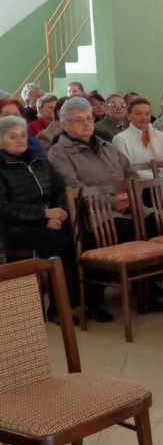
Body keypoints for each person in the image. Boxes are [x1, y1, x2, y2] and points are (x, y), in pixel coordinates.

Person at [48, 96, 163, 319]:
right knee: (125, 229)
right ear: (64, 124)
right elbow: (73, 188)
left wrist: (130, 195)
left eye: (89, 118)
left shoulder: (105, 145)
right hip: (92, 212)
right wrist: (112, 202)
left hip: (126, 203)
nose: (86, 124)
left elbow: (130, 172)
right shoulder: (59, 152)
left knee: (152, 222)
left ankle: (146, 286)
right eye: (78, 120)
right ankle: (95, 298)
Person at [0, 116, 75, 323]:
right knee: (60, 245)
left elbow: (61, 189)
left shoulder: (39, 158)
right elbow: (3, 208)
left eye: (23, 135)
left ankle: (75, 303)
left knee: (79, 236)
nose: (20, 140)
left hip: (50, 219)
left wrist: (57, 213)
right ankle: (60, 310)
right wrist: (45, 214)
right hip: (17, 228)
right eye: (12, 136)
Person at [112, 97, 163, 179]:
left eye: (147, 114)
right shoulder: (120, 139)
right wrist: (156, 178)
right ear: (128, 116)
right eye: (138, 114)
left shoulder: (160, 135)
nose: (143, 117)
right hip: (137, 185)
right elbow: (128, 170)